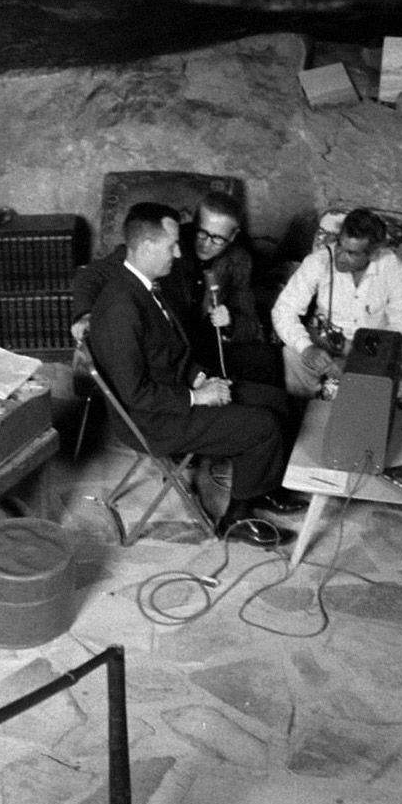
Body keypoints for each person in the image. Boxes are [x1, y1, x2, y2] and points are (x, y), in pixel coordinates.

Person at [87, 202, 306, 547]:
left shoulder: (145, 287)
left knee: (276, 401)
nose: (178, 253)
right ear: (145, 247)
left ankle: (260, 489)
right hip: (153, 419)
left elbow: (171, 349)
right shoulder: (120, 309)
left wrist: (199, 377)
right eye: (171, 246)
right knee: (262, 428)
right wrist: (197, 397)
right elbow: (135, 395)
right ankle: (237, 519)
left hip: (176, 392)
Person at [71, 191, 283, 386]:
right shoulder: (167, 241)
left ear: (233, 235)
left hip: (209, 347)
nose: (205, 244)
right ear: (196, 221)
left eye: (217, 238)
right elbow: (90, 275)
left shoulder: (240, 260)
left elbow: (250, 325)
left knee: (267, 361)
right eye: (202, 232)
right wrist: (85, 315)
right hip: (169, 348)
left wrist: (230, 323)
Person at [272, 207, 402, 398]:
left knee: (384, 388)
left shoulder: (394, 270)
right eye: (339, 244)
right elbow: (284, 310)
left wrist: (360, 357)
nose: (340, 256)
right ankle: (301, 413)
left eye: (352, 253)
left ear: (373, 254)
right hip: (323, 341)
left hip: (371, 349)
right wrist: (306, 348)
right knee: (292, 353)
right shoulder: (319, 261)